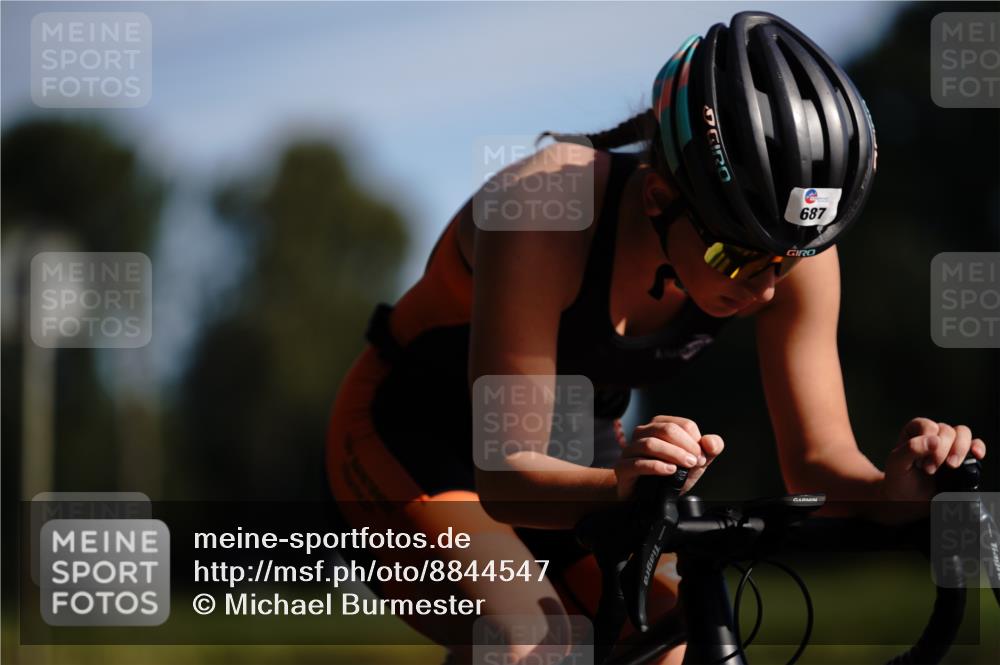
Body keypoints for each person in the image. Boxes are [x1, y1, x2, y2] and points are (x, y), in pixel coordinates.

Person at [326, 11, 987, 664]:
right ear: (657, 199)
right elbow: (505, 473)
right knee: (536, 642)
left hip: (578, 454)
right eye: (736, 258)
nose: (764, 289)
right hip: (414, 439)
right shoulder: (544, 209)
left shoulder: (788, 240)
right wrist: (621, 486)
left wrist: (889, 493)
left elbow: (818, 461)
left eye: (787, 262)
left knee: (675, 642)